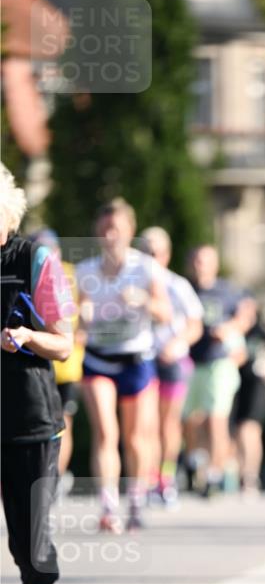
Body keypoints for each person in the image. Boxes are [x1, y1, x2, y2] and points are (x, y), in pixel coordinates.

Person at [1, 163, 74, 584]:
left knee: (30, 546)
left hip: (28, 416)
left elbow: (64, 341)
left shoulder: (33, 259)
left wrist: (27, 337)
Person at [76, 198, 172, 531]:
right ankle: (108, 505)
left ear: (129, 231)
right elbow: (80, 311)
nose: (110, 235)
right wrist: (82, 318)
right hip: (98, 357)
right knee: (105, 431)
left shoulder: (145, 267)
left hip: (135, 358)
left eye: (116, 228)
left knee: (134, 439)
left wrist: (144, 300)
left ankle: (134, 498)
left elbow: (165, 314)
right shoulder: (86, 269)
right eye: (104, 229)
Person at [182, 245, 256, 497]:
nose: (199, 265)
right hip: (191, 360)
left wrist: (230, 328)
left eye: (204, 260)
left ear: (214, 264)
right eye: (196, 260)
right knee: (189, 418)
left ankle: (214, 475)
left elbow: (247, 315)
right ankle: (193, 462)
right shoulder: (186, 289)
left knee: (216, 418)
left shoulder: (227, 290)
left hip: (220, 361)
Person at [139, 226, 203, 505]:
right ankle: (148, 478)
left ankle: (166, 478)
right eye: (144, 251)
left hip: (172, 360)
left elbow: (195, 325)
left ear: (166, 254)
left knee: (168, 423)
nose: (150, 257)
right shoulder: (133, 284)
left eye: (155, 252)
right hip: (142, 358)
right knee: (145, 423)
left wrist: (178, 344)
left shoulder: (177, 285)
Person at [27, 229, 83, 490]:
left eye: (51, 249)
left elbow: (88, 310)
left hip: (66, 367)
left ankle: (54, 479)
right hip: (36, 363)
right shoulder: (28, 273)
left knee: (62, 424)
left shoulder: (73, 274)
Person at [231, 310, 265, 495]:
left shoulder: (263, 335)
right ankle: (238, 475)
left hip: (256, 388)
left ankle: (250, 476)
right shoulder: (234, 332)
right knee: (237, 431)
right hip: (234, 385)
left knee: (249, 428)